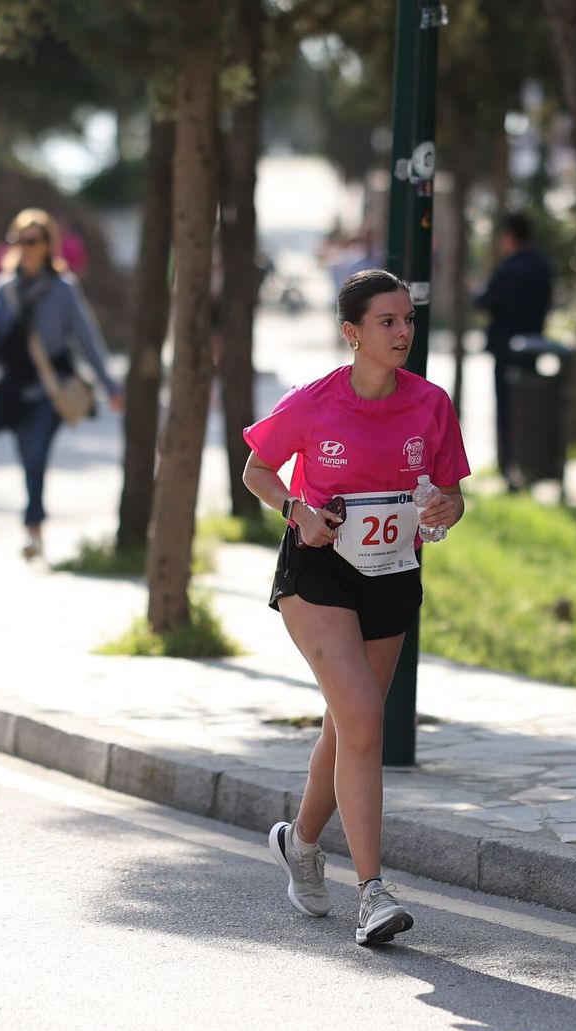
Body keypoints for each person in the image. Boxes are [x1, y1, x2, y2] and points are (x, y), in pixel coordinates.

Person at [242, 269, 469, 947]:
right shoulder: (314, 403)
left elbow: (454, 495)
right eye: (387, 322)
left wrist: (445, 508)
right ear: (352, 333)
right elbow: (256, 467)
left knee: (347, 729)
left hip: (392, 573)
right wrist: (296, 510)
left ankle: (301, 842)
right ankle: (374, 891)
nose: (403, 332)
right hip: (319, 572)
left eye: (407, 320)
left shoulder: (431, 403)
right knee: (365, 715)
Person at [0, 209, 122, 560]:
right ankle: (34, 522)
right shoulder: (3, 289)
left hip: (52, 391)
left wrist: (111, 386)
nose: (27, 247)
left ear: (48, 244)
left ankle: (33, 526)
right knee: (27, 458)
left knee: (36, 453)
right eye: (20, 240)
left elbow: (87, 340)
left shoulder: (64, 289)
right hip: (14, 389)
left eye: (34, 241)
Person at [475, 212, 553, 491]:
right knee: (530, 409)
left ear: (509, 237)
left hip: (505, 349)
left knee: (507, 410)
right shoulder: (543, 267)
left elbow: (484, 302)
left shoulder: (508, 270)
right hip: (533, 347)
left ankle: (509, 468)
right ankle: (530, 465)